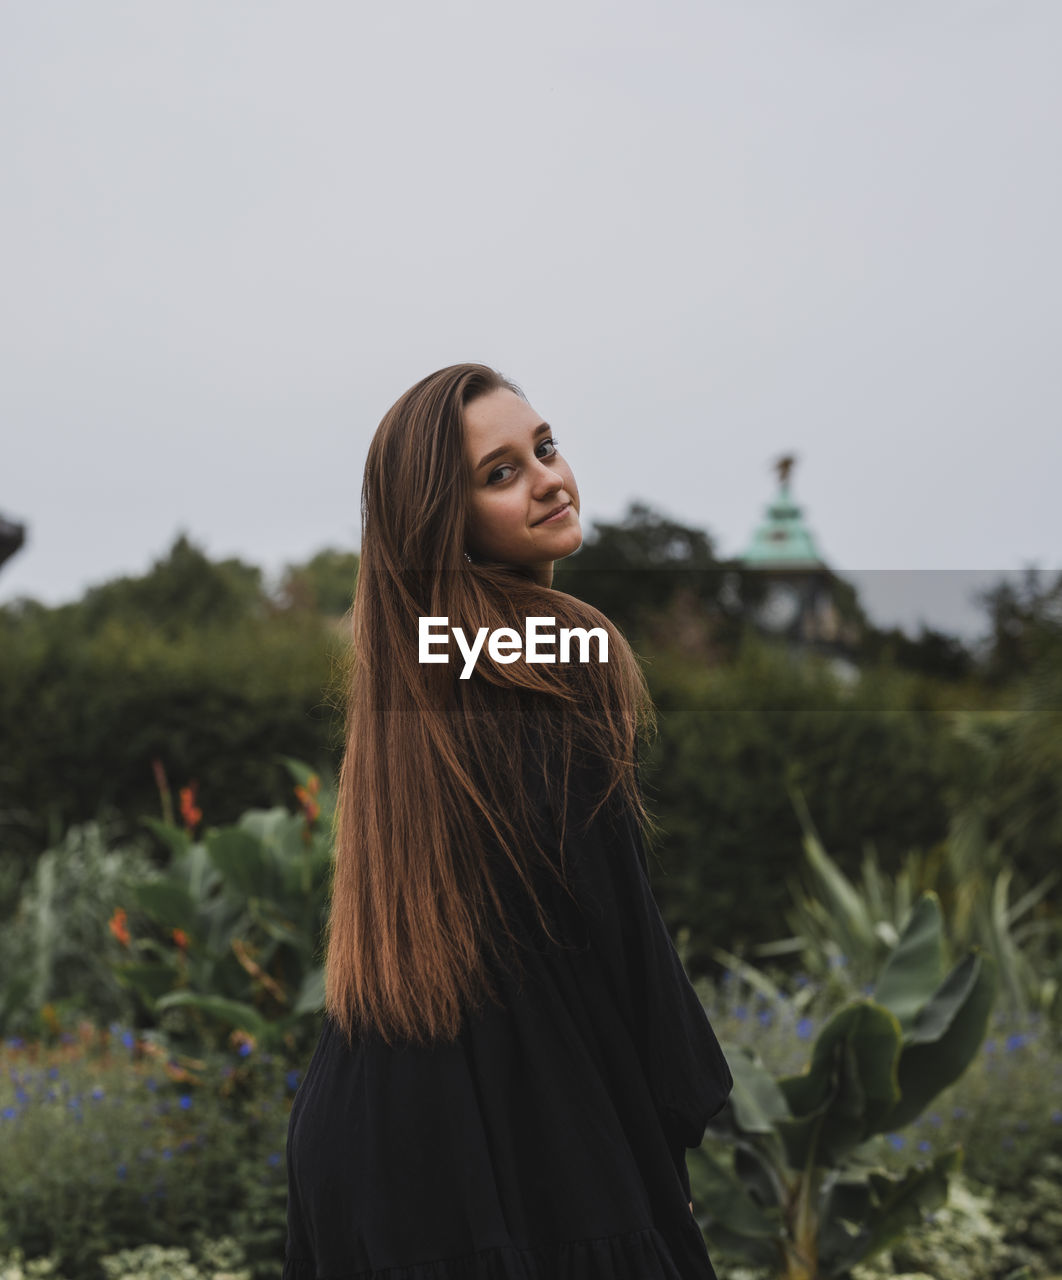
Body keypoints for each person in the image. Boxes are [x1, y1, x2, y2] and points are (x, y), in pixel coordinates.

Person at [283, 363, 733, 1279]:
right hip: (524, 1146)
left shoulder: (408, 681)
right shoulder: (559, 648)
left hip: (363, 1148)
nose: (547, 479)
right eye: (500, 474)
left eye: (545, 447)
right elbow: (618, 916)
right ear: (444, 524)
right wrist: (672, 1125)